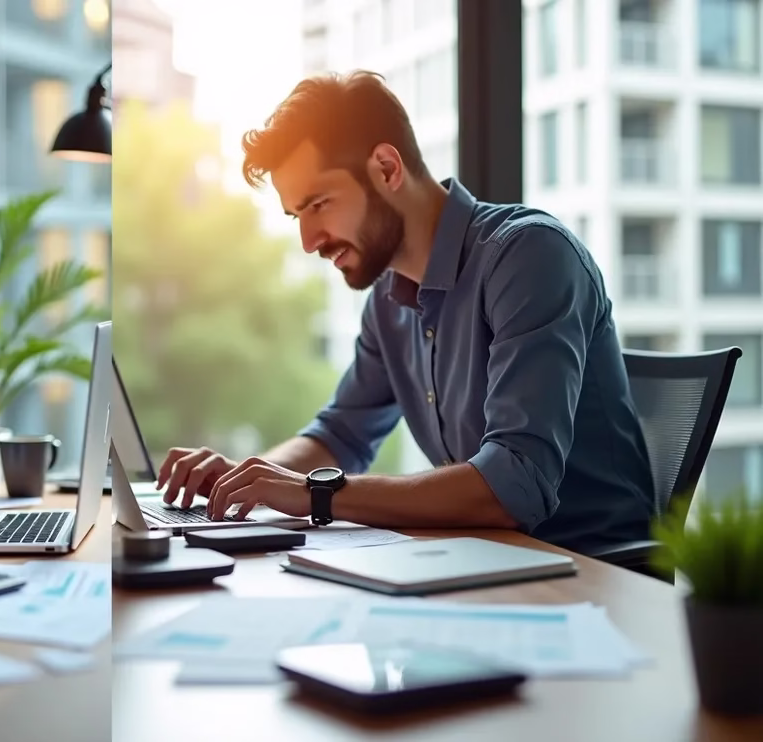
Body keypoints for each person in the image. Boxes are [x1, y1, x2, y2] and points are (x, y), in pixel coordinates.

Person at [157, 70, 654, 554]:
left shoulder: (528, 256)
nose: (309, 241)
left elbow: (514, 484)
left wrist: (315, 494)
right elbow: (340, 435)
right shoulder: (390, 302)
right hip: (485, 562)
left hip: (592, 574)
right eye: (296, 216)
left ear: (387, 168)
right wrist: (249, 478)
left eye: (319, 204)